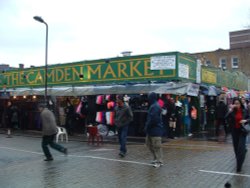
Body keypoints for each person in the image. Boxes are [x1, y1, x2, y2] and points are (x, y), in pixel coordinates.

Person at [226, 98, 249, 172]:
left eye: (238, 103)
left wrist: (245, 120)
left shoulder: (245, 110)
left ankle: (239, 166)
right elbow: (225, 118)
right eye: (235, 103)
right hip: (234, 132)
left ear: (240, 104)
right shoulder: (232, 111)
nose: (237, 105)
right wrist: (230, 110)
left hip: (242, 131)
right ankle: (238, 162)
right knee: (236, 149)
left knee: (240, 149)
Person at [144, 92, 164, 168]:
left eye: (149, 97)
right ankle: (156, 158)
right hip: (151, 129)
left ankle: (159, 161)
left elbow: (153, 119)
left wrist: (147, 126)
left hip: (155, 129)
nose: (148, 99)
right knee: (148, 144)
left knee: (157, 146)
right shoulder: (153, 105)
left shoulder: (155, 106)